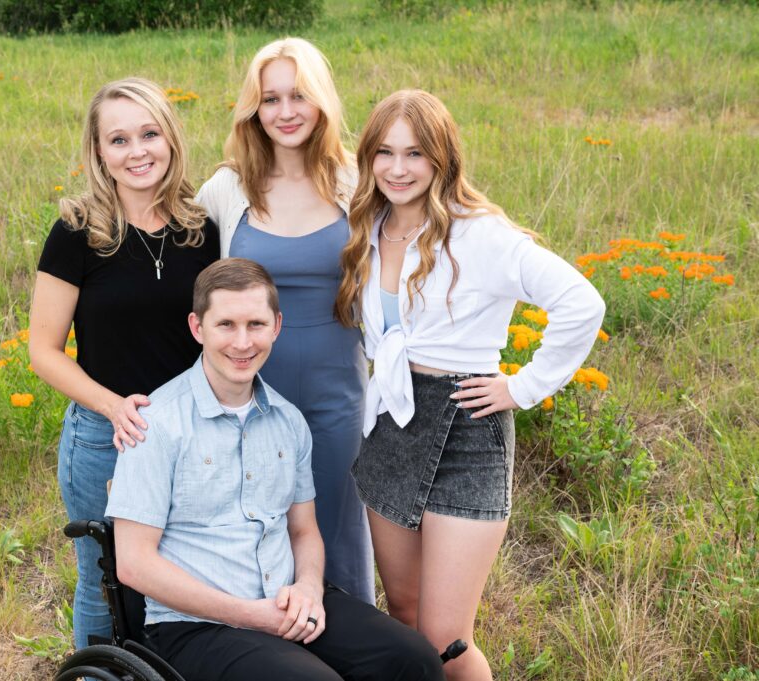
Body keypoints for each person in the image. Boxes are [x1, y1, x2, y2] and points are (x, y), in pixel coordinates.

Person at [334, 89, 606, 681]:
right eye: (385, 153)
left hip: (466, 424)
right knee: (403, 616)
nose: (398, 169)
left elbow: (582, 302)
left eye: (415, 154)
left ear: (443, 158)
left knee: (446, 638)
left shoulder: (479, 234)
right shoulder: (368, 226)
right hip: (392, 424)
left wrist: (523, 386)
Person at [105, 258, 444, 681]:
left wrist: (307, 587)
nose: (242, 342)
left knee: (415, 659)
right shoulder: (156, 424)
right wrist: (251, 615)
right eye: (226, 324)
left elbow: (303, 532)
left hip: (285, 599)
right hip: (193, 626)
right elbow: (134, 564)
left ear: (277, 326)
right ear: (197, 328)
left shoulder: (289, 422)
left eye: (256, 324)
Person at [29, 77, 219, 647]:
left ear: (170, 138)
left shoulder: (202, 230)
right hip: (105, 437)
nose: (137, 152)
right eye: (118, 140)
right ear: (99, 153)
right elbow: (43, 351)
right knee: (105, 578)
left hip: (190, 434)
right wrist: (115, 408)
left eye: (149, 133)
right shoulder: (76, 233)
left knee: (184, 569)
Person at [196, 37, 373, 603]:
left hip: (336, 391)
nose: (286, 111)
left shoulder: (356, 183)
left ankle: (351, 650)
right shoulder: (227, 189)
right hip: (247, 391)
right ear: (254, 109)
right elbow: (189, 283)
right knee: (255, 527)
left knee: (337, 527)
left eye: (299, 95)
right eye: (270, 99)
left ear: (322, 101)